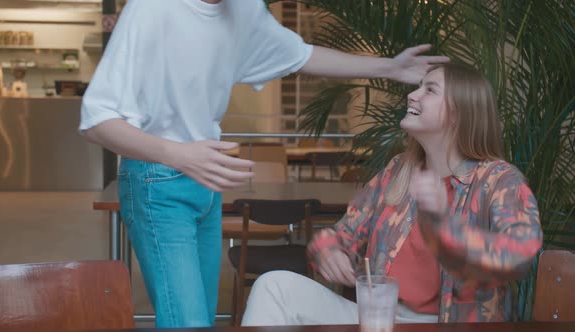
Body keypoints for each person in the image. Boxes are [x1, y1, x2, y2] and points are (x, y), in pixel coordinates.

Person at [79, 0, 449, 328]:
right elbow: (96, 120)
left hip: (204, 179)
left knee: (202, 319)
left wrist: (389, 68)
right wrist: (179, 155)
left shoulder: (243, 8)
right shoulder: (152, 9)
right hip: (156, 176)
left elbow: (300, 55)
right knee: (186, 322)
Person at [241, 63, 543, 325]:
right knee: (273, 286)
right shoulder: (398, 170)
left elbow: (522, 253)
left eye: (430, 90)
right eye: (419, 87)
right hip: (379, 317)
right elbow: (339, 233)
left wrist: (444, 228)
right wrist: (329, 252)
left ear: (458, 113)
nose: (412, 95)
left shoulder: (499, 180)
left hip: (444, 324)